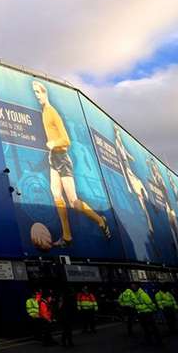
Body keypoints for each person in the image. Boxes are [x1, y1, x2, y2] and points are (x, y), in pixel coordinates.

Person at [31, 81, 110, 247]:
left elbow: (66, 140)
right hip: (54, 158)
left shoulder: (52, 112)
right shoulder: (44, 111)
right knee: (56, 195)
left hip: (62, 158)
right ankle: (67, 236)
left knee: (73, 201)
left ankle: (100, 220)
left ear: (45, 93)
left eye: (38, 92)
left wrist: (53, 144)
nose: (36, 95)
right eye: (35, 92)